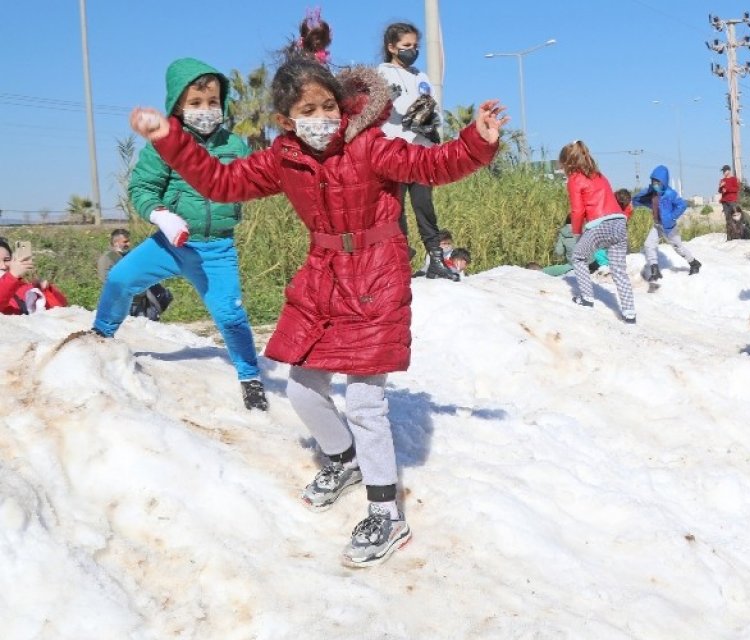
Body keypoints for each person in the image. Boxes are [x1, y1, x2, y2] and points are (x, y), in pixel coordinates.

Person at [128, 58, 505, 566]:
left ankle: (386, 513)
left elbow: (431, 166)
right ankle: (345, 458)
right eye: (309, 110)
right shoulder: (283, 157)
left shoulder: (369, 144)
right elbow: (220, 182)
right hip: (324, 273)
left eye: (329, 105)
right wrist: (169, 138)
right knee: (303, 387)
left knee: (366, 402)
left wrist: (476, 141)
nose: (323, 117)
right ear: (287, 120)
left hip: (376, 272)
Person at [94, 58, 266, 410]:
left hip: (216, 249)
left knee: (230, 314)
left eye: (213, 102)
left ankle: (250, 376)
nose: (206, 110)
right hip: (170, 244)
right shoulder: (163, 144)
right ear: (178, 106)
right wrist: (161, 215)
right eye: (196, 103)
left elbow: (252, 182)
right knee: (120, 278)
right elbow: (142, 187)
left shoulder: (235, 145)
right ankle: (100, 335)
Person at [378, 22, 454, 281]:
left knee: (425, 207)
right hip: (395, 151)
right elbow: (384, 106)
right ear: (392, 47)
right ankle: (399, 265)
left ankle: (436, 260)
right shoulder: (382, 73)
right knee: (395, 210)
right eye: (406, 46)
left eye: (415, 46)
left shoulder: (421, 76)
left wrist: (433, 121)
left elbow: (432, 105)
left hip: (421, 151)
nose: (412, 50)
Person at [562, 140, 637, 323]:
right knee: (619, 269)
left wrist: (577, 233)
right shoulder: (600, 176)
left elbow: (577, 211)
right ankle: (629, 312)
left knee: (578, 256)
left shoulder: (574, 179)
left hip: (599, 224)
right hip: (619, 222)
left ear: (568, 163)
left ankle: (587, 298)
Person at [633, 165, 700, 287]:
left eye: (657, 182)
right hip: (657, 225)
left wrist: (672, 217)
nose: (655, 184)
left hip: (669, 227)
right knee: (649, 244)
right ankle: (655, 269)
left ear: (663, 182)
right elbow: (636, 200)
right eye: (653, 181)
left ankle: (694, 263)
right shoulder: (652, 193)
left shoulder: (670, 193)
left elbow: (682, 205)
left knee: (678, 247)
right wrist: (647, 191)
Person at [0, 239, 67, 315]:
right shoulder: (11, 280)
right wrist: (12, 276)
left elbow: (60, 309)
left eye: (6, 260)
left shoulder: (24, 287)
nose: (3, 266)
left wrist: (46, 290)